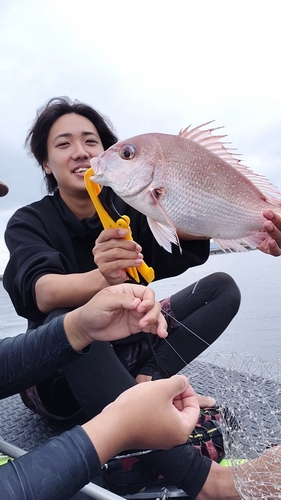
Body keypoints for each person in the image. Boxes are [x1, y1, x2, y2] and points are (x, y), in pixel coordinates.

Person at [3, 98, 242, 499]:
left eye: (91, 141)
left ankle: (145, 380)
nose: (80, 151)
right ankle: (202, 479)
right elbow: (41, 291)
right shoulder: (29, 221)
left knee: (221, 287)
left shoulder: (130, 203)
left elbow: (179, 242)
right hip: (60, 379)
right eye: (63, 144)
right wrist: (102, 278)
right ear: (45, 163)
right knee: (65, 316)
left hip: (131, 349)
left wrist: (246, 221)